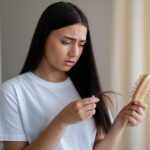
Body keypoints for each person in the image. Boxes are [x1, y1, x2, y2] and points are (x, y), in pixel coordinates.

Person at [0, 1, 147, 150]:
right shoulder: (13, 92)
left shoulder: (87, 87)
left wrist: (120, 123)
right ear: (43, 37)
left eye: (81, 44)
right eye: (66, 42)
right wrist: (62, 121)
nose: (75, 53)